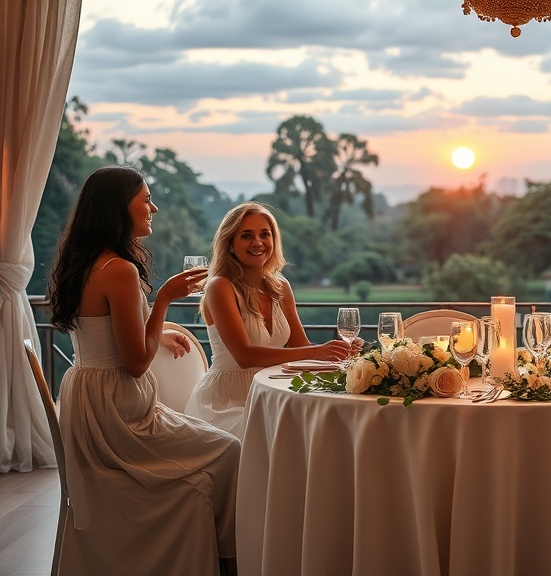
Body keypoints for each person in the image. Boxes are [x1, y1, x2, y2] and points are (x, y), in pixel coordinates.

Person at [47, 166, 239, 575]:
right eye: (146, 199)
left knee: (217, 449)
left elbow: (110, 335)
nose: (154, 207)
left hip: (87, 399)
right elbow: (135, 364)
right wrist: (166, 297)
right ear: (120, 208)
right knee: (231, 451)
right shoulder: (120, 270)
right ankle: (232, 561)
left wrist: (158, 330)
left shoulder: (85, 262)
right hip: (120, 415)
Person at [184, 202, 357, 438]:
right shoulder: (220, 287)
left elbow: (300, 347)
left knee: (329, 427)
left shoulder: (281, 286)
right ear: (230, 244)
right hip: (228, 401)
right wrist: (319, 352)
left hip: (273, 393)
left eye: (265, 234)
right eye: (246, 236)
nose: (258, 242)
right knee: (292, 436)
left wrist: (338, 352)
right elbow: (245, 356)